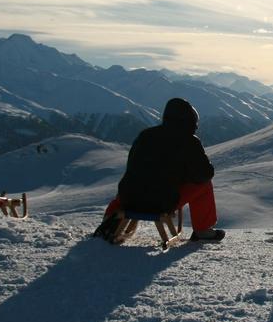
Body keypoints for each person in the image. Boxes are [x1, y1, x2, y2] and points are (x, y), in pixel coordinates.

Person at [95, 97, 225, 242]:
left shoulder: (145, 135)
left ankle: (108, 223)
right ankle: (203, 231)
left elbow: (132, 166)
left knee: (132, 186)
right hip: (161, 202)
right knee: (204, 185)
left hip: (128, 199)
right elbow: (203, 175)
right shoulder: (189, 141)